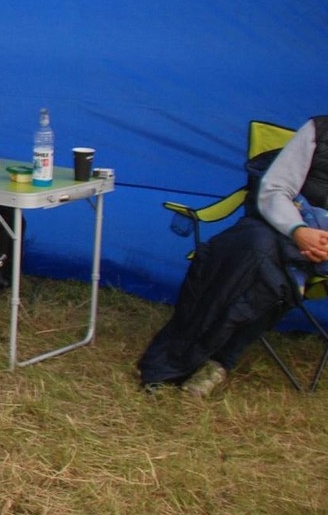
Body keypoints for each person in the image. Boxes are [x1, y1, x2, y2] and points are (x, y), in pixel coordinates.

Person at [139, 116, 328, 396]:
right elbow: (275, 188)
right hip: (279, 225)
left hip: (319, 251)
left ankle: (207, 361)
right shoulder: (318, 131)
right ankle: (188, 359)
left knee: (270, 270)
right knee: (251, 252)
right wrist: (298, 230)